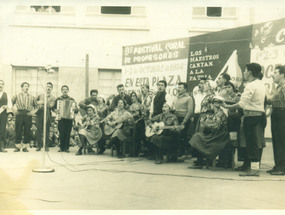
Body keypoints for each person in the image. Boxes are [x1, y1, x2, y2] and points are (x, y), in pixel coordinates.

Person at [223, 63, 266, 177]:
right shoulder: (261, 84)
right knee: (254, 143)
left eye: (245, 71)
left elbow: (242, 104)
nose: (244, 73)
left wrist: (227, 106)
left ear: (250, 72)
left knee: (251, 144)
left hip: (251, 117)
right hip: (259, 116)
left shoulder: (250, 85)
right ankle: (254, 168)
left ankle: (254, 170)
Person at [188, 95, 231, 169]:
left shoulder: (219, 114)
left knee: (197, 136)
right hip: (217, 135)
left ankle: (200, 161)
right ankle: (202, 160)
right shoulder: (216, 113)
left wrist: (205, 124)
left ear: (215, 104)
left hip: (218, 136)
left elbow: (216, 127)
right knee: (197, 136)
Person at [266, 65, 285, 175]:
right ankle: (278, 165)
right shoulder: (278, 87)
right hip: (277, 113)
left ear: (282, 74)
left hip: (282, 113)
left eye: (276, 72)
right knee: (277, 140)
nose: (273, 75)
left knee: (282, 140)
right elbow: (271, 101)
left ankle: (282, 167)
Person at [12, 82, 37, 152]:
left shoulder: (32, 97)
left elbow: (37, 106)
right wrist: (14, 110)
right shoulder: (17, 95)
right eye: (25, 86)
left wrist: (32, 112)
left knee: (27, 130)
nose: (27, 87)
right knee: (18, 130)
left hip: (28, 114)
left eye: (28, 86)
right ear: (22, 88)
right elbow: (11, 103)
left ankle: (25, 146)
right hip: (19, 113)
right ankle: (17, 146)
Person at [53, 85, 78, 153]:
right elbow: (53, 108)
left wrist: (75, 109)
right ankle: (61, 147)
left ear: (68, 90)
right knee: (61, 132)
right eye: (63, 89)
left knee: (68, 133)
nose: (65, 90)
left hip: (69, 119)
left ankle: (67, 147)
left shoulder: (71, 100)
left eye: (66, 89)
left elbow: (76, 110)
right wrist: (56, 111)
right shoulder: (58, 99)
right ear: (62, 91)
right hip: (60, 118)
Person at [173, 82, 194, 160]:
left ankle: (183, 154)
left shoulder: (189, 98)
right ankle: (176, 154)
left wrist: (184, 122)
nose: (178, 89)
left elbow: (190, 111)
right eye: (178, 87)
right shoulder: (175, 97)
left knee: (183, 136)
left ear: (185, 89)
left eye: (180, 87)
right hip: (176, 119)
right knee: (176, 136)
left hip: (184, 119)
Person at [35, 82, 55, 152]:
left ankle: (46, 146)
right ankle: (38, 146)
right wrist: (39, 103)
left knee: (46, 131)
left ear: (51, 88)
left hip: (48, 114)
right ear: (45, 88)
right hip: (40, 114)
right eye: (47, 86)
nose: (48, 88)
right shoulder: (40, 95)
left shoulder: (53, 97)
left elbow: (51, 106)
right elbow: (35, 102)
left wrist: (43, 102)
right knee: (39, 130)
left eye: (50, 87)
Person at [129, 91, 145, 156]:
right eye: (131, 96)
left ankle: (136, 151)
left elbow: (143, 115)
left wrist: (137, 120)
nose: (132, 98)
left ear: (136, 97)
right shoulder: (130, 107)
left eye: (133, 96)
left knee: (137, 132)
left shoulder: (140, 105)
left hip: (139, 122)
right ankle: (131, 151)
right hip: (132, 123)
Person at [0, 80, 12, 152]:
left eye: (2, 84)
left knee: (2, 130)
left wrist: (6, 106)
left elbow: (10, 105)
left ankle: (1, 147)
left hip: (3, 114)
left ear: (3, 86)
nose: (0, 85)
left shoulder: (6, 94)